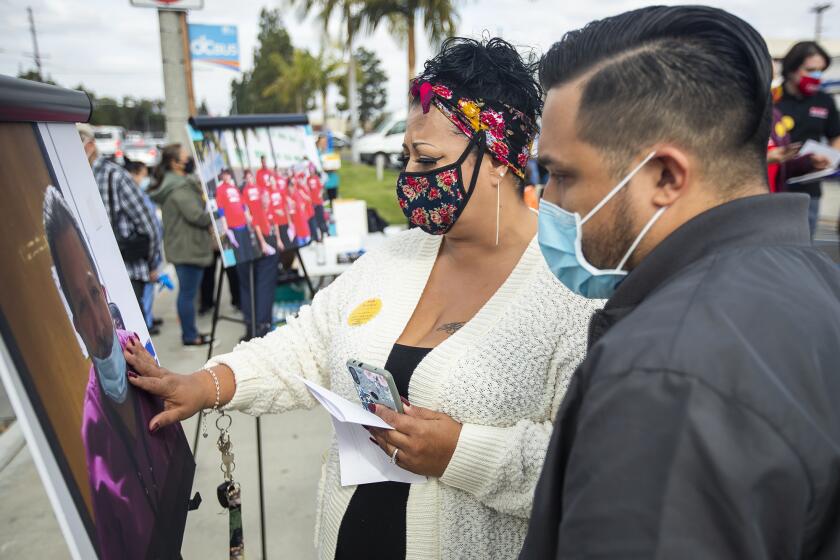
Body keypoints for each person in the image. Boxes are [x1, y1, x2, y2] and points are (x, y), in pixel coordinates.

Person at [123, 37, 600, 559]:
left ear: (497, 158)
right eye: (406, 158)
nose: (411, 177)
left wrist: (460, 454)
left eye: (428, 158)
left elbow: (591, 463)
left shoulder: (573, 291)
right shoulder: (393, 259)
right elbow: (306, 343)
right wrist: (206, 384)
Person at [520, 6, 840, 558]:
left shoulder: (663, 374)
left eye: (562, 174)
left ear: (665, 177)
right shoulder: (819, 282)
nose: (547, 200)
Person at [42, 185, 192, 560]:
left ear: (105, 290)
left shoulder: (135, 351)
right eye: (81, 306)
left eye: (94, 295)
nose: (97, 322)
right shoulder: (93, 422)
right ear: (74, 321)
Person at [77, 124, 161, 324]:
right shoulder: (78, 178)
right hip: (97, 274)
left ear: (88, 146)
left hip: (127, 271)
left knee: (132, 335)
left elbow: (148, 224)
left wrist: (152, 263)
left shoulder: (114, 176)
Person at [149, 144, 214, 346]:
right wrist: (216, 211)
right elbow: (198, 217)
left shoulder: (175, 184)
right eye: (186, 157)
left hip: (183, 246)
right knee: (188, 294)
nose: (189, 160)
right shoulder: (179, 188)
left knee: (187, 292)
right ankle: (190, 335)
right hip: (187, 248)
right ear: (175, 163)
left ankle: (190, 331)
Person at [775, 41, 840, 235]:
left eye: (820, 71)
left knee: (803, 248)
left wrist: (832, 158)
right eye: (810, 70)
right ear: (792, 69)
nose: (816, 77)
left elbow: (835, 135)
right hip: (776, 187)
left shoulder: (824, 100)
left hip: (809, 190)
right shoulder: (772, 98)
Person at [125, 160, 164, 335]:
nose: (145, 178)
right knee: (144, 294)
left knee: (148, 292)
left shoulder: (139, 194)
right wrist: (152, 263)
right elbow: (148, 227)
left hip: (150, 255)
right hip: (144, 258)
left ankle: (149, 317)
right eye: (142, 174)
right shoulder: (131, 194)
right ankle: (146, 322)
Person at [239, 169, 279, 340]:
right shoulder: (252, 191)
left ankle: (255, 326)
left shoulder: (250, 190)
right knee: (259, 284)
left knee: (252, 285)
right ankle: (259, 327)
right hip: (252, 240)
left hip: (253, 239)